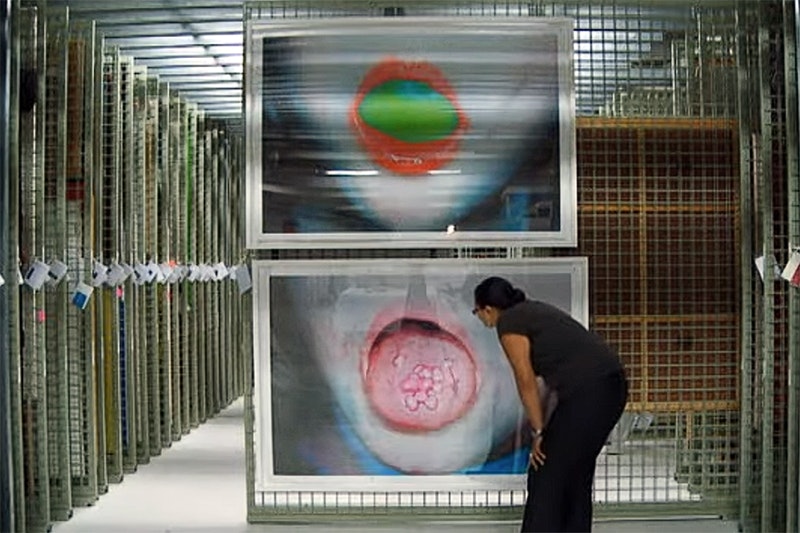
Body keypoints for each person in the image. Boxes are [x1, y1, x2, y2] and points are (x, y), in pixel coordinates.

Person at [473, 276, 628, 532]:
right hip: (610, 386)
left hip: (590, 392)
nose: (480, 318)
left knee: (545, 470)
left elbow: (525, 379)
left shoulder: (510, 321)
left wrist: (539, 432)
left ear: (487, 308)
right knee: (575, 473)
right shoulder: (533, 312)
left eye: (477, 312)